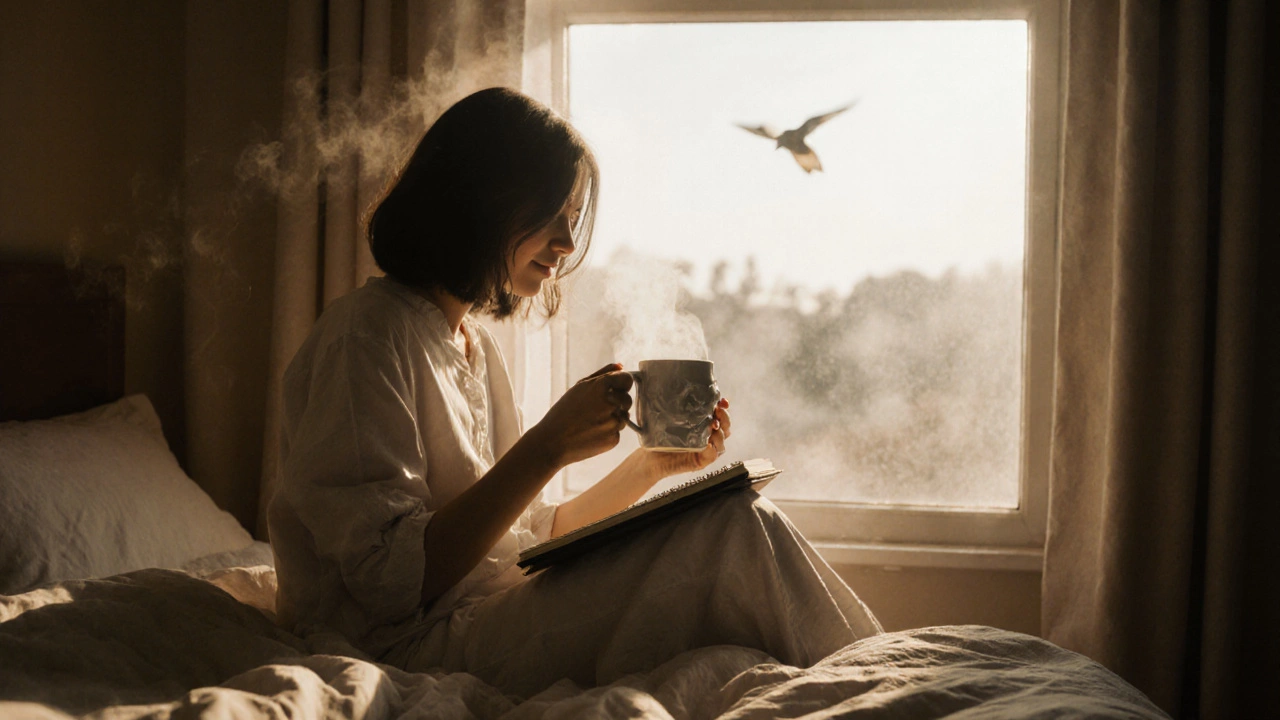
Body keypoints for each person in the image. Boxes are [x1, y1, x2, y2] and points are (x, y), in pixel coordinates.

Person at [267, 87, 881, 699]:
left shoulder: (475, 346)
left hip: (485, 610)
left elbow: (528, 536)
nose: (565, 242)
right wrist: (546, 447)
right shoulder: (367, 335)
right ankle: (878, 691)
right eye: (549, 214)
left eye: (573, 216)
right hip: (408, 645)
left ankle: (872, 684)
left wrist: (653, 467)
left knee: (731, 513)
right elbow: (386, 581)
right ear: (479, 202)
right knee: (732, 529)